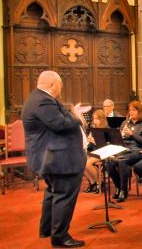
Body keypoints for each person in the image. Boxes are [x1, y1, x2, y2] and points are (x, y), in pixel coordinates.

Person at [22, 70, 86, 248]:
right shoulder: (43, 101)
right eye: (60, 85)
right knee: (64, 195)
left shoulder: (38, 99)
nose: (61, 88)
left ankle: (47, 228)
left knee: (53, 192)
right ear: (53, 85)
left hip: (52, 157)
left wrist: (70, 114)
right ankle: (60, 237)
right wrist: (77, 117)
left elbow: (60, 118)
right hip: (58, 159)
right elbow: (60, 124)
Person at [107, 101, 142, 202]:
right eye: (130, 110)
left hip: (138, 151)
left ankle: (123, 191)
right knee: (109, 161)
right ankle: (118, 187)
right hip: (124, 149)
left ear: (139, 111)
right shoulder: (124, 123)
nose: (131, 112)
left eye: (134, 110)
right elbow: (119, 140)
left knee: (123, 161)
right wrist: (119, 137)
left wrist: (132, 134)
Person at [82, 110, 109, 194]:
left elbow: (106, 146)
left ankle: (99, 183)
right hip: (94, 152)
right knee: (81, 161)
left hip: (103, 152)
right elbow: (90, 146)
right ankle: (92, 183)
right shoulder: (93, 129)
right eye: (93, 119)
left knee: (87, 163)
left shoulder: (106, 129)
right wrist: (88, 141)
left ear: (102, 119)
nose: (94, 121)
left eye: (96, 119)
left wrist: (94, 141)